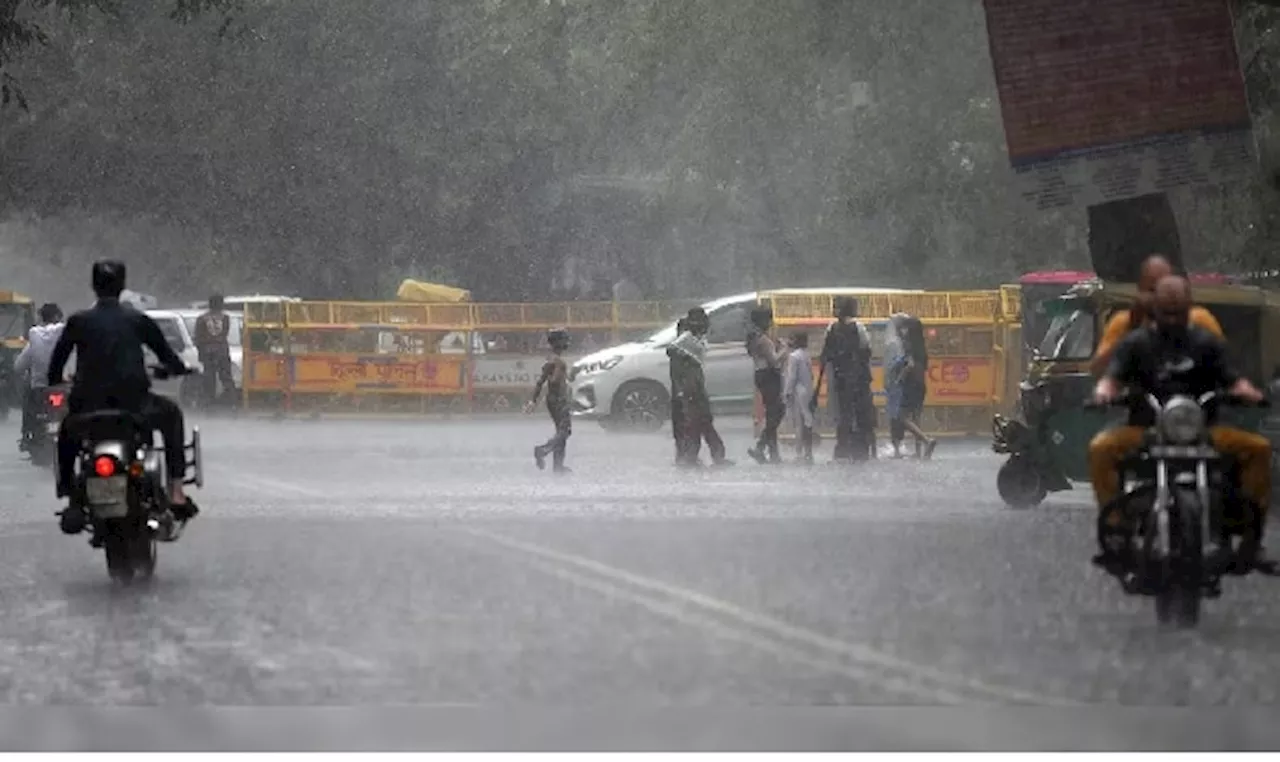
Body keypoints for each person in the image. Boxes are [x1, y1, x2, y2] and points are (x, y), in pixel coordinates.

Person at [1088, 255, 1273, 569]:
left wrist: (1246, 391)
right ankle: (1118, 527)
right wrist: (1105, 391)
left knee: (1258, 449)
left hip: (1201, 426)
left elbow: (1225, 366)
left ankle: (1249, 534)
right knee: (1100, 449)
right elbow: (1106, 373)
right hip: (1146, 425)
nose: (1165, 302)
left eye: (1170, 294)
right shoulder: (1131, 333)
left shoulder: (1202, 329)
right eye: (1153, 290)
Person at [47, 261, 198, 536]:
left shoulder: (78, 322)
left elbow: (54, 369)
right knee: (172, 415)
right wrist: (174, 370)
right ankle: (176, 491)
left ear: (93, 286)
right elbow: (170, 359)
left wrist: (62, 380)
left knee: (66, 434)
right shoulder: (138, 320)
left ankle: (70, 496)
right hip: (135, 407)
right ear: (123, 286)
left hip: (88, 411)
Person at [1091, 255, 1223, 377]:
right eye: (1153, 291)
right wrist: (1132, 328)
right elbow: (1098, 371)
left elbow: (1225, 365)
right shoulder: (1123, 322)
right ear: (1140, 290)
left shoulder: (1198, 318)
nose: (1160, 299)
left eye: (1165, 289)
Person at [669, 307, 730, 467]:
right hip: (689, 391)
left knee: (701, 423)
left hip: (694, 389)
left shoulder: (694, 343)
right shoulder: (683, 346)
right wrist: (682, 391)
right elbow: (676, 362)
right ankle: (693, 457)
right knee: (696, 424)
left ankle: (696, 456)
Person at [814, 296, 872, 462]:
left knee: (851, 413)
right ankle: (849, 448)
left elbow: (864, 352)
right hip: (846, 378)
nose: (835, 310)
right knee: (847, 414)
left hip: (851, 378)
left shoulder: (849, 327)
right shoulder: (838, 328)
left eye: (838, 307)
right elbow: (866, 351)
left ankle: (852, 448)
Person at [884, 313, 937, 459]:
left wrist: (899, 378)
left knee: (901, 416)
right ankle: (919, 452)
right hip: (921, 385)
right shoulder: (921, 346)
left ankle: (927, 440)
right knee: (916, 417)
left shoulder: (908, 346)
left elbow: (910, 365)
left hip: (910, 384)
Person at [14, 303, 65, 450]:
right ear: (58, 317)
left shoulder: (35, 336)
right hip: (63, 386)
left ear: (42, 318)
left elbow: (19, 366)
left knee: (27, 394)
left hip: (40, 389)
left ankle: (26, 435)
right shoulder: (68, 333)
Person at [525, 327, 573, 473]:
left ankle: (558, 466)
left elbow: (541, 382)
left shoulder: (550, 359)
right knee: (565, 431)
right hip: (559, 399)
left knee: (561, 431)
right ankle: (543, 450)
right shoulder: (557, 361)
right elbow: (553, 381)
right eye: (564, 339)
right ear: (558, 342)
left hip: (552, 400)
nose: (567, 342)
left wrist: (533, 401)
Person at [746, 305, 785, 464]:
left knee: (772, 413)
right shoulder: (763, 339)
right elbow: (774, 361)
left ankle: (772, 452)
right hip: (769, 376)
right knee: (776, 413)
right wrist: (784, 348)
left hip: (760, 375)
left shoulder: (753, 337)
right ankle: (762, 447)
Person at [194, 294, 237, 408]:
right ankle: (231, 403)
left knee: (209, 379)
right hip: (222, 350)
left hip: (208, 351)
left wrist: (201, 353)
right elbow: (224, 334)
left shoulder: (202, 318)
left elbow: (198, 338)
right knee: (226, 378)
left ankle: (209, 403)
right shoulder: (225, 318)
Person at [783, 331, 816, 463]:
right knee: (808, 421)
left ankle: (799, 452)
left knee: (798, 424)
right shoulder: (806, 355)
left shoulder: (793, 357)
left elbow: (792, 377)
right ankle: (809, 451)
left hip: (797, 392)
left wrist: (787, 392)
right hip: (808, 391)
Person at [668, 318, 689, 463]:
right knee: (683, 424)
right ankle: (683, 455)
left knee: (684, 425)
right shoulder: (678, 350)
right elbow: (676, 373)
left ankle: (684, 454)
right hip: (682, 393)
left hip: (684, 392)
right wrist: (680, 391)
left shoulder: (681, 348)